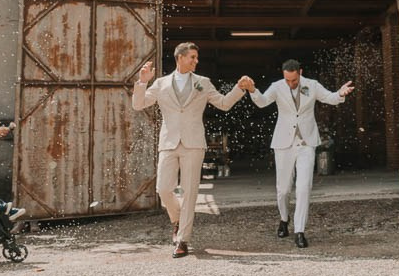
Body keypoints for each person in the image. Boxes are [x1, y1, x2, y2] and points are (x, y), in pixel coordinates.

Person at [132, 42, 245, 258]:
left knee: (190, 191)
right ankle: (176, 220)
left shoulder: (203, 82)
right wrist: (142, 82)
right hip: (168, 142)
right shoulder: (161, 83)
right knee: (163, 189)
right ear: (180, 58)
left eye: (196, 57)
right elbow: (139, 105)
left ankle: (182, 239)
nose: (196, 61)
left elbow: (223, 103)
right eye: (192, 57)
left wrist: (239, 89)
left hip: (193, 143)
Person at [245, 60, 353, 248]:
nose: (291, 83)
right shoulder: (277, 86)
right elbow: (262, 102)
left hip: (307, 142)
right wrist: (253, 90)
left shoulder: (312, 85)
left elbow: (329, 97)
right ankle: (284, 219)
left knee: (304, 187)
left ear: (300, 73)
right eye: (288, 80)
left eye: (294, 80)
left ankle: (300, 231)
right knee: (284, 189)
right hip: (283, 143)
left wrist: (340, 94)